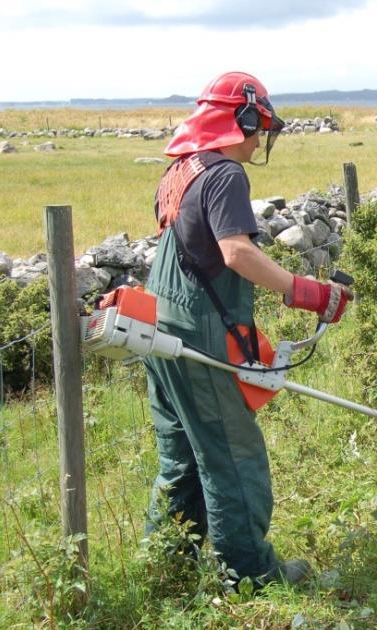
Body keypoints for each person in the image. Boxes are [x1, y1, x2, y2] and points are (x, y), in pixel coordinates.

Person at [143, 71, 352, 586]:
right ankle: (250, 575)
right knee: (232, 457)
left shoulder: (182, 170)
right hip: (198, 334)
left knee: (182, 457)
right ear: (239, 121)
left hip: (156, 323)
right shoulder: (226, 174)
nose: (260, 139)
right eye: (258, 128)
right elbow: (235, 252)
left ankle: (166, 563)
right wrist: (308, 292)